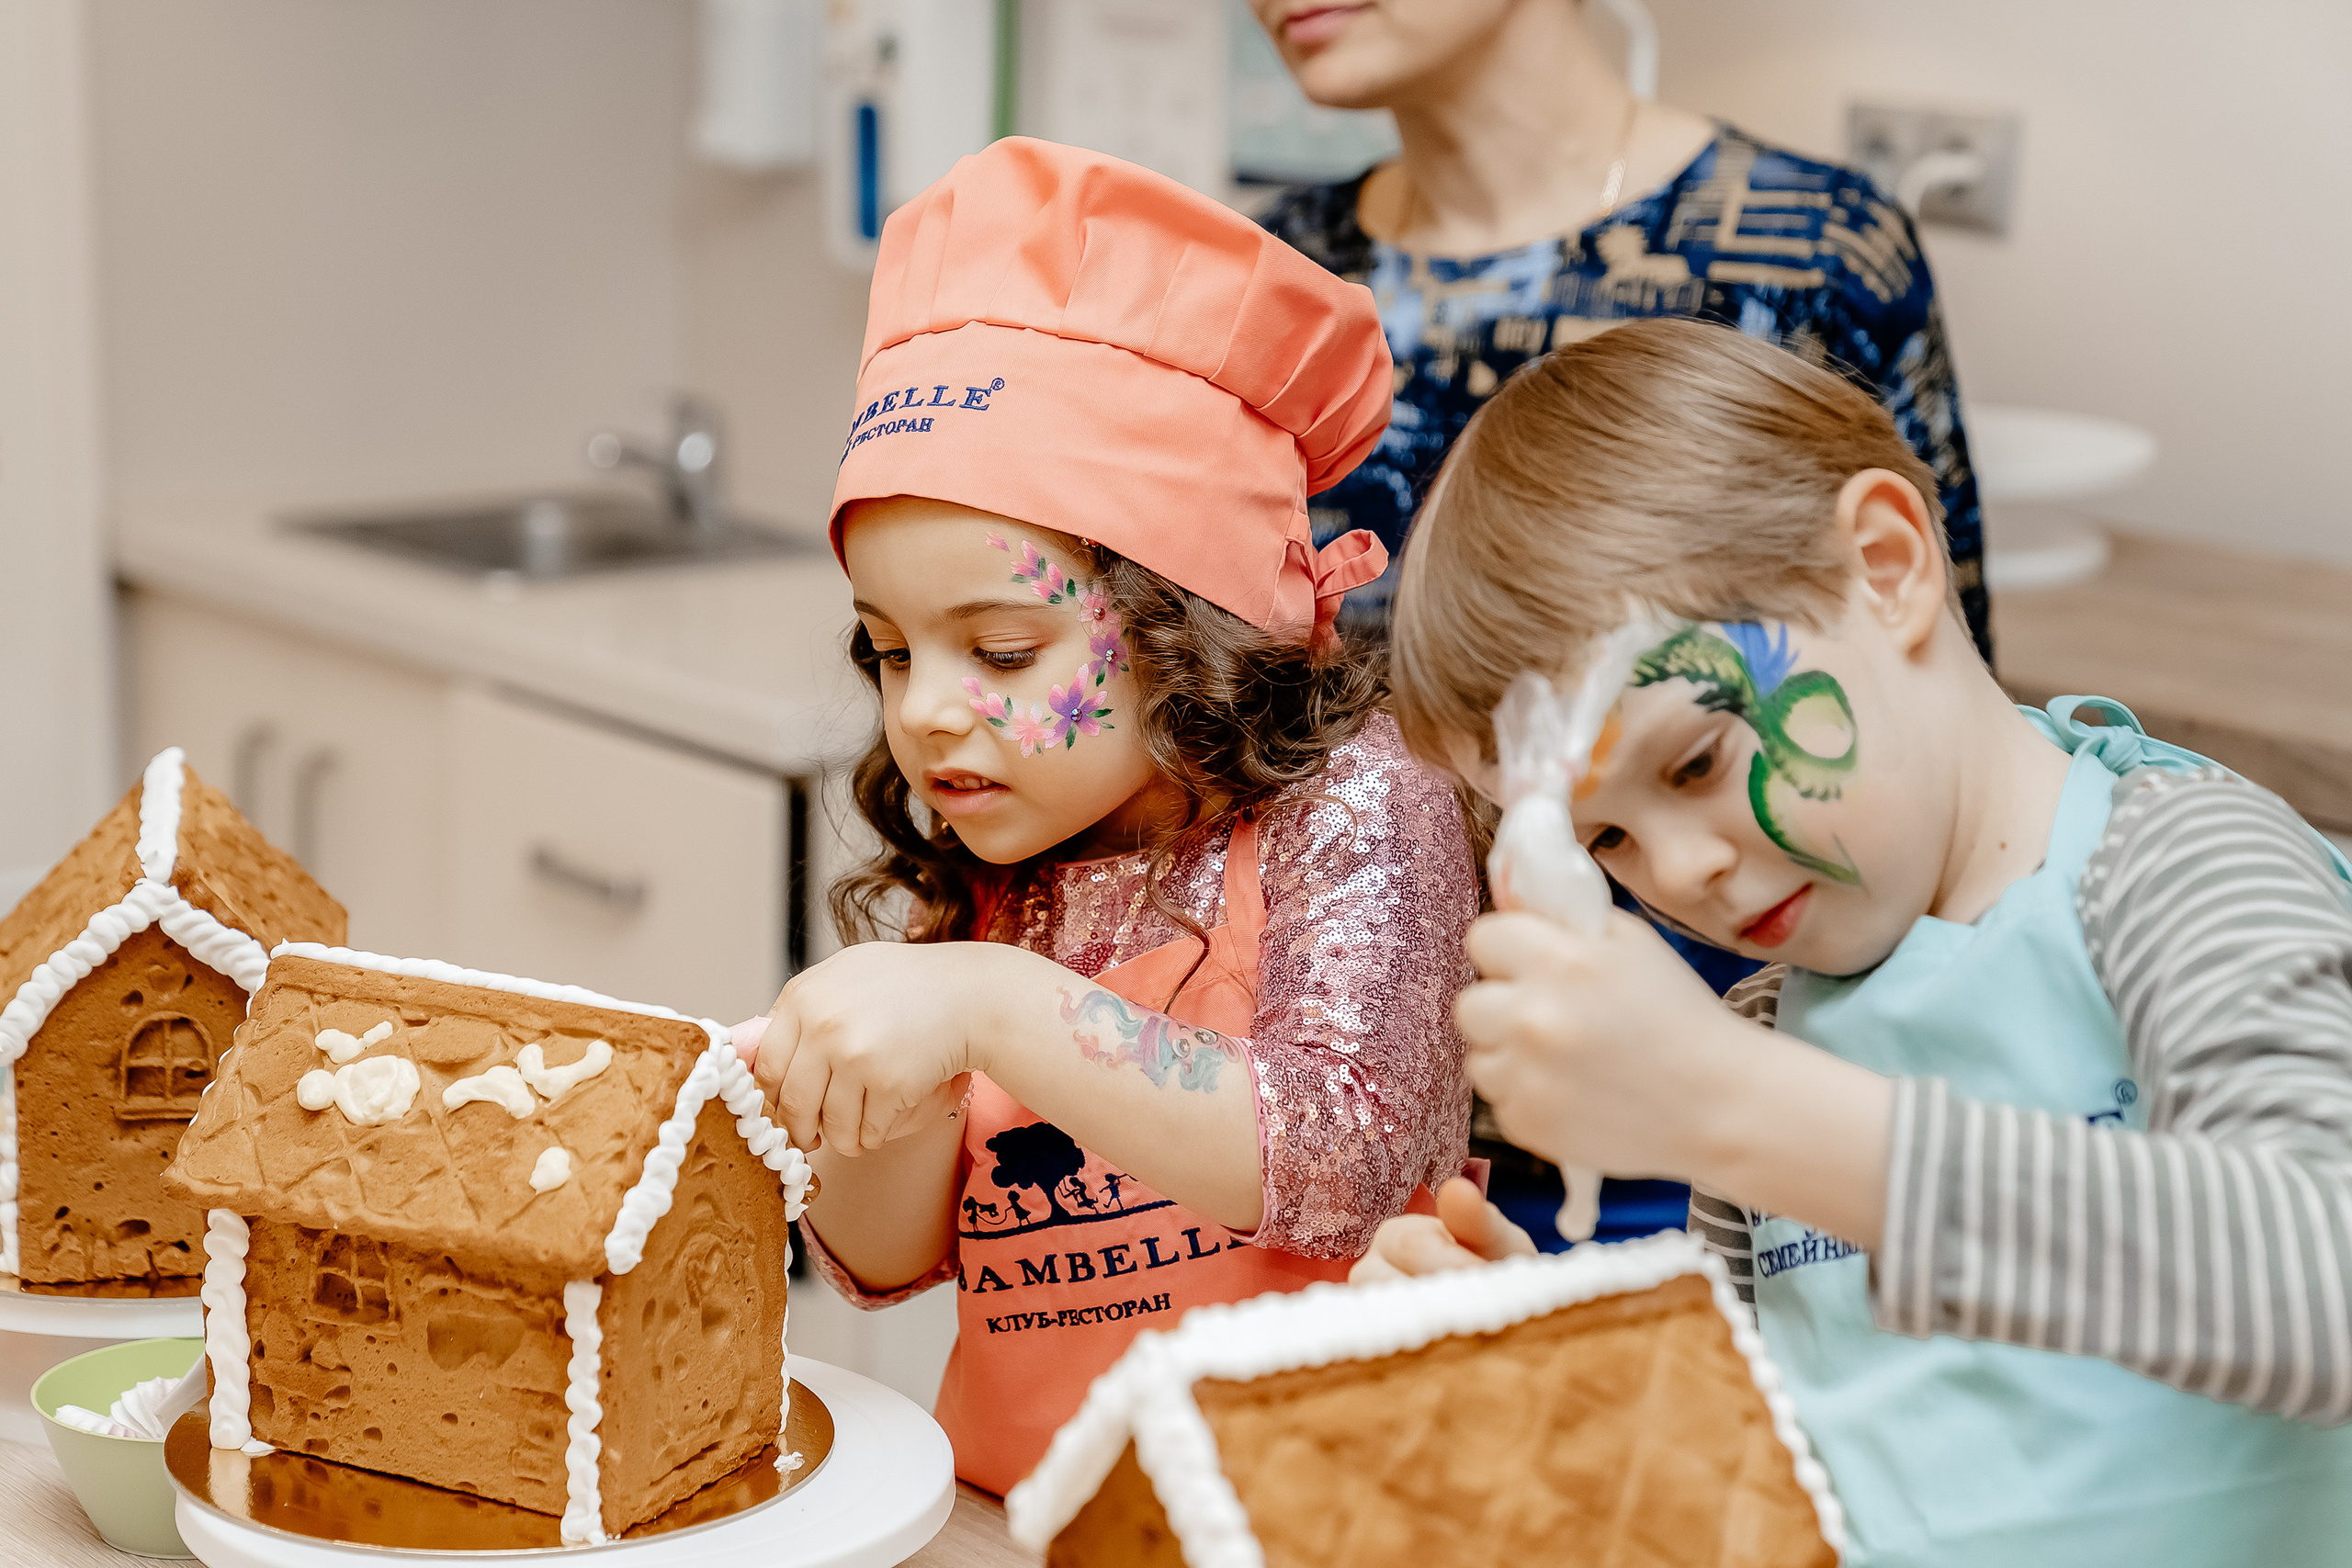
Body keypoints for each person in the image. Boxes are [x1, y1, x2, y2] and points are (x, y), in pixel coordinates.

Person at [1359, 316, 2352, 1563]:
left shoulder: (2172, 868)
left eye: (1699, 759)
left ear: (1886, 566)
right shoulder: (1766, 1027)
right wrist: (1551, 1352)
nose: (1679, 873)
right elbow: (1756, 1466)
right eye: (1604, 842)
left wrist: (1745, 1109)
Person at [739, 137, 1477, 1495]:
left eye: (1003, 651)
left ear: (1178, 627)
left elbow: (1344, 1154)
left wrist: (986, 1007)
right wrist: (870, 1087)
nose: (928, 714)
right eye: (893, 650)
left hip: (1305, 1524)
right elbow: (889, 1260)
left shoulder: (1357, 800)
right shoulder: (999, 840)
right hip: (1013, 1520)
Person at [1250, 0, 1989, 1244]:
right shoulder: (1273, 293)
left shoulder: (1810, 254)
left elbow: (1951, 757)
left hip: (1773, 1163)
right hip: (1349, 1168)